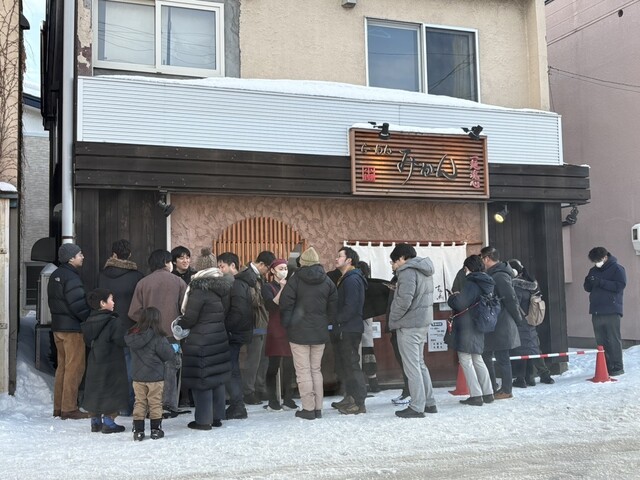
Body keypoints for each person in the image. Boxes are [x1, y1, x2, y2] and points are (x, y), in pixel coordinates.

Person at [280, 247, 338, 420]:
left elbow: (285, 304)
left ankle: (308, 408)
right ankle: (318, 408)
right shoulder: (327, 281)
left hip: (298, 333)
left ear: (303, 262)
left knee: (303, 371)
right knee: (316, 370)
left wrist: (288, 325)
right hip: (320, 332)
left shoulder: (295, 280)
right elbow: (333, 307)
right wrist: (325, 322)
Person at [129, 249, 187, 416]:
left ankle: (151, 407)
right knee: (171, 369)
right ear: (166, 263)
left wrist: (148, 323)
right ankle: (169, 405)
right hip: (171, 335)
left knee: (150, 371)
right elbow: (185, 309)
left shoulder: (143, 283)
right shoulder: (178, 282)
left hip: (149, 335)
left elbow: (133, 312)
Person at [175, 267, 233, 430]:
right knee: (217, 378)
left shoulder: (198, 291)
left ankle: (203, 420)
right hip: (218, 338)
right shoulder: (221, 291)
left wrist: (180, 323)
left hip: (201, 340)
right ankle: (217, 417)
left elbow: (190, 318)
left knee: (202, 380)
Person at [388, 243, 437, 418]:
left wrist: (392, 317)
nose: (393, 265)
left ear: (402, 258)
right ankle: (429, 402)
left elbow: (404, 301)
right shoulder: (424, 269)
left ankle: (417, 406)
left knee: (412, 366)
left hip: (409, 324)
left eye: (394, 261)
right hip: (422, 322)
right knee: (420, 364)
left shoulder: (407, 272)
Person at [97, 238, 144, 416]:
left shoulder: (102, 275)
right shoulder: (137, 276)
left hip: (107, 325)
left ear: (114, 254)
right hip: (130, 326)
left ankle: (110, 405)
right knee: (129, 366)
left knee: (109, 366)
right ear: (129, 254)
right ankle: (128, 405)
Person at [47, 243, 91, 420]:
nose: (83, 257)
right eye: (80, 254)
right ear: (71, 258)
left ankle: (59, 407)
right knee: (74, 368)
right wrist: (88, 318)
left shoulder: (55, 275)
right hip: (72, 329)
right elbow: (78, 305)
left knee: (62, 368)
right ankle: (69, 408)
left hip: (58, 327)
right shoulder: (72, 277)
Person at [448, 255, 495, 406]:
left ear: (469, 268)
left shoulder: (472, 283)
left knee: (465, 359)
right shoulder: (486, 282)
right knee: (477, 358)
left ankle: (476, 395)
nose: (465, 271)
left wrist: (452, 298)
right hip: (479, 323)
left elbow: (460, 303)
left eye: (465, 268)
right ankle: (488, 393)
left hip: (467, 325)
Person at [125, 307, 178, 441]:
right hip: (155, 377)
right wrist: (173, 348)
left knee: (139, 402)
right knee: (155, 403)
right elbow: (167, 355)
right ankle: (155, 430)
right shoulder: (158, 337)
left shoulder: (133, 336)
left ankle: (138, 431)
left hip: (137, 377)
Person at [81, 288, 129, 433]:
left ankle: (95, 421)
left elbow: (87, 341)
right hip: (112, 361)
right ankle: (109, 422)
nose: (113, 303)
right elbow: (122, 340)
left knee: (96, 388)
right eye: (111, 299)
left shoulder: (89, 321)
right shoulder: (113, 321)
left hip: (95, 359)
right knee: (112, 389)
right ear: (103, 303)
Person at [480, 246, 523, 400]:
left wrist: (518, 318)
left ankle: (506, 389)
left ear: (487, 258)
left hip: (501, 321)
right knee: (488, 354)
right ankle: (492, 387)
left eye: (481, 258)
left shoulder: (499, 276)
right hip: (494, 321)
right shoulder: (495, 273)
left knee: (502, 357)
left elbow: (511, 299)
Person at [331, 247, 368, 415]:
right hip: (347, 327)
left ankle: (359, 403)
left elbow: (351, 307)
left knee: (352, 365)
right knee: (346, 365)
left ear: (349, 260)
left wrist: (336, 319)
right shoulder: (347, 278)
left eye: (340, 256)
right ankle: (350, 397)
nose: (336, 259)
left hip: (350, 328)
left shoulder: (352, 279)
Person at [508, 259, 555, 387]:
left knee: (520, 350)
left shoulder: (515, 287)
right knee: (534, 349)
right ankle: (541, 375)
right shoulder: (532, 284)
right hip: (531, 320)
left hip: (520, 322)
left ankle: (521, 379)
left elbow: (514, 306)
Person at [219, 251, 252, 419]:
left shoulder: (237, 284)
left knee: (232, 370)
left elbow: (238, 311)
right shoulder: (239, 283)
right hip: (236, 332)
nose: (220, 270)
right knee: (233, 369)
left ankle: (238, 405)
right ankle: (237, 404)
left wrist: (226, 327)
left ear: (233, 266)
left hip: (233, 333)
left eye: (222, 266)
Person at [262, 258, 298, 411]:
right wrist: (282, 288)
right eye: (281, 268)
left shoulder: (292, 286)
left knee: (290, 366)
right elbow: (271, 306)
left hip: (289, 327)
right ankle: (272, 400)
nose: (284, 271)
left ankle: (288, 398)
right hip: (275, 328)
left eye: (286, 268)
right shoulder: (267, 287)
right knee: (273, 366)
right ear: (273, 271)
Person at [583, 247, 627, 376]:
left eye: (598, 260)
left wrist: (600, 282)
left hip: (612, 309)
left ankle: (617, 366)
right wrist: (588, 281)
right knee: (600, 340)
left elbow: (620, 286)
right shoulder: (593, 270)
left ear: (605, 257)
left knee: (613, 339)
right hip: (596, 310)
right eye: (594, 261)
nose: (596, 263)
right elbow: (587, 288)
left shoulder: (617, 268)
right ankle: (605, 366)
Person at [242, 251, 276, 405]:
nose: (268, 272)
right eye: (268, 268)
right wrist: (268, 296)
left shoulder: (258, 277)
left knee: (263, 359)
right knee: (253, 360)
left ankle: (260, 388)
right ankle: (249, 391)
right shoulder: (248, 275)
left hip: (263, 321)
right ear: (261, 264)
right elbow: (253, 300)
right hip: (254, 322)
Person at [357, 261, 381, 393]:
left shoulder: (355, 283)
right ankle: (373, 382)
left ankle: (360, 384)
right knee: (368, 350)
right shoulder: (370, 284)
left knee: (357, 353)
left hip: (357, 320)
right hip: (368, 319)